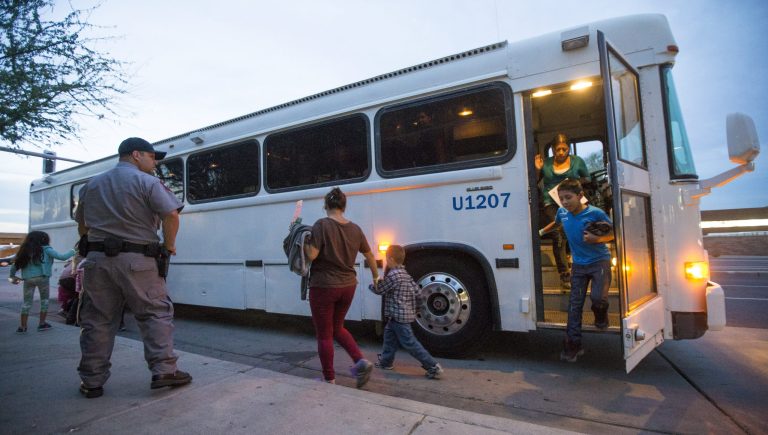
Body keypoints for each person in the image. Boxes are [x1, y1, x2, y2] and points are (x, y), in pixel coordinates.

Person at [74, 137, 191, 399]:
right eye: (152, 157)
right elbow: (171, 214)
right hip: (138, 259)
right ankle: (164, 371)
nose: (155, 162)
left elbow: (82, 224)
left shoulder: (91, 185)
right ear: (136, 155)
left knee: (98, 320)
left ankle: (91, 381)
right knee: (153, 314)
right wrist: (169, 246)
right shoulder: (147, 182)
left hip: (97, 261)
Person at [303, 187, 378, 387]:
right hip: (348, 286)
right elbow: (370, 255)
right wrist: (376, 276)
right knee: (337, 328)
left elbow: (311, 255)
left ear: (326, 205)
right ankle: (361, 362)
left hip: (324, 286)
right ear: (343, 206)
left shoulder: (321, 225)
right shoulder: (355, 228)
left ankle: (329, 379)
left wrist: (302, 241)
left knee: (324, 334)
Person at [539, 179, 614, 362]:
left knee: (598, 298)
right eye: (561, 198)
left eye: (568, 198)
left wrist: (596, 239)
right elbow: (557, 223)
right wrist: (540, 232)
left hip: (599, 263)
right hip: (579, 265)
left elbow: (614, 233)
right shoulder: (562, 212)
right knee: (574, 306)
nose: (564, 202)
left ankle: (601, 315)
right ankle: (573, 345)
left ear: (580, 196)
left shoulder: (596, 213)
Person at [368, 245, 443, 379]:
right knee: (389, 337)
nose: (386, 262)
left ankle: (433, 366)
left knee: (410, 343)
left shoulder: (393, 275)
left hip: (398, 317)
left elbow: (380, 290)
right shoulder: (406, 275)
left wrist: (372, 284)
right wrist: (416, 308)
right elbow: (419, 294)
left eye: (386, 259)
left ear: (390, 259)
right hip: (401, 316)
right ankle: (386, 362)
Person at [534, 133, 590, 289]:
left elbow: (588, 179)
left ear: (569, 148)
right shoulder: (546, 163)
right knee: (559, 230)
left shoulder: (577, 161)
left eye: (564, 149)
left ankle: (578, 263)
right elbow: (535, 182)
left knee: (575, 228)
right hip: (551, 202)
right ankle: (564, 274)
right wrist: (537, 170)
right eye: (557, 149)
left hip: (572, 201)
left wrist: (573, 182)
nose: (560, 152)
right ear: (552, 149)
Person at [9, 231, 75, 333]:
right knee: (44, 301)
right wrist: (74, 250)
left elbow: (15, 265)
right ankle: (42, 324)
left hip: (28, 279)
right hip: (42, 278)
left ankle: (22, 327)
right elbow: (63, 257)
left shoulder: (24, 251)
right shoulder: (47, 250)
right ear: (44, 240)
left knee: (26, 302)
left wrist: (12, 276)